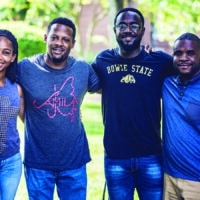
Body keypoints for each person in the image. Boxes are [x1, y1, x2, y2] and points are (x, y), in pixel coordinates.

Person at [92, 7, 173, 200]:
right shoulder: (103, 60)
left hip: (151, 156)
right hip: (116, 157)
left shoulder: (160, 61)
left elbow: (189, 67)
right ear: (115, 29)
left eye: (134, 25)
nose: (128, 30)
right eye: (122, 25)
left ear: (143, 30)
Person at [16, 17, 100, 200]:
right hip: (37, 162)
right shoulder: (25, 68)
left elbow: (112, 87)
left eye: (65, 39)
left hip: (74, 161)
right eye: (54, 37)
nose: (59, 43)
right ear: (46, 37)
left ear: (73, 44)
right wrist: (32, 120)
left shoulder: (82, 69)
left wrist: (142, 58)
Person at [162, 33, 200, 200]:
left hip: (196, 182)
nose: (184, 58)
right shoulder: (167, 84)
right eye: (178, 53)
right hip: (169, 177)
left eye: (190, 53)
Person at [0, 29, 24, 200]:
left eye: (5, 52)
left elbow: (29, 119)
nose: (0, 57)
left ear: (13, 57)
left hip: (11, 162)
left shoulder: (16, 88)